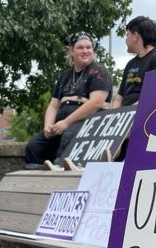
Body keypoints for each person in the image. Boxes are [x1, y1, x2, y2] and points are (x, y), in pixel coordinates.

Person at [24, 33, 112, 166]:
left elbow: (96, 103)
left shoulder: (99, 71)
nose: (85, 51)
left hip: (86, 122)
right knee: (34, 147)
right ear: (71, 51)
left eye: (89, 47)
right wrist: (48, 125)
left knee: (68, 138)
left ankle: (59, 169)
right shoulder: (65, 75)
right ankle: (38, 176)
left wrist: (66, 123)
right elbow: (54, 105)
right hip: (61, 122)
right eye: (80, 47)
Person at [112, 16, 156, 109]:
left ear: (135, 36)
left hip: (144, 118)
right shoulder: (130, 64)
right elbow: (119, 98)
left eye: (127, 35)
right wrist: (115, 116)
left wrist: (129, 113)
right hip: (126, 116)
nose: (125, 39)